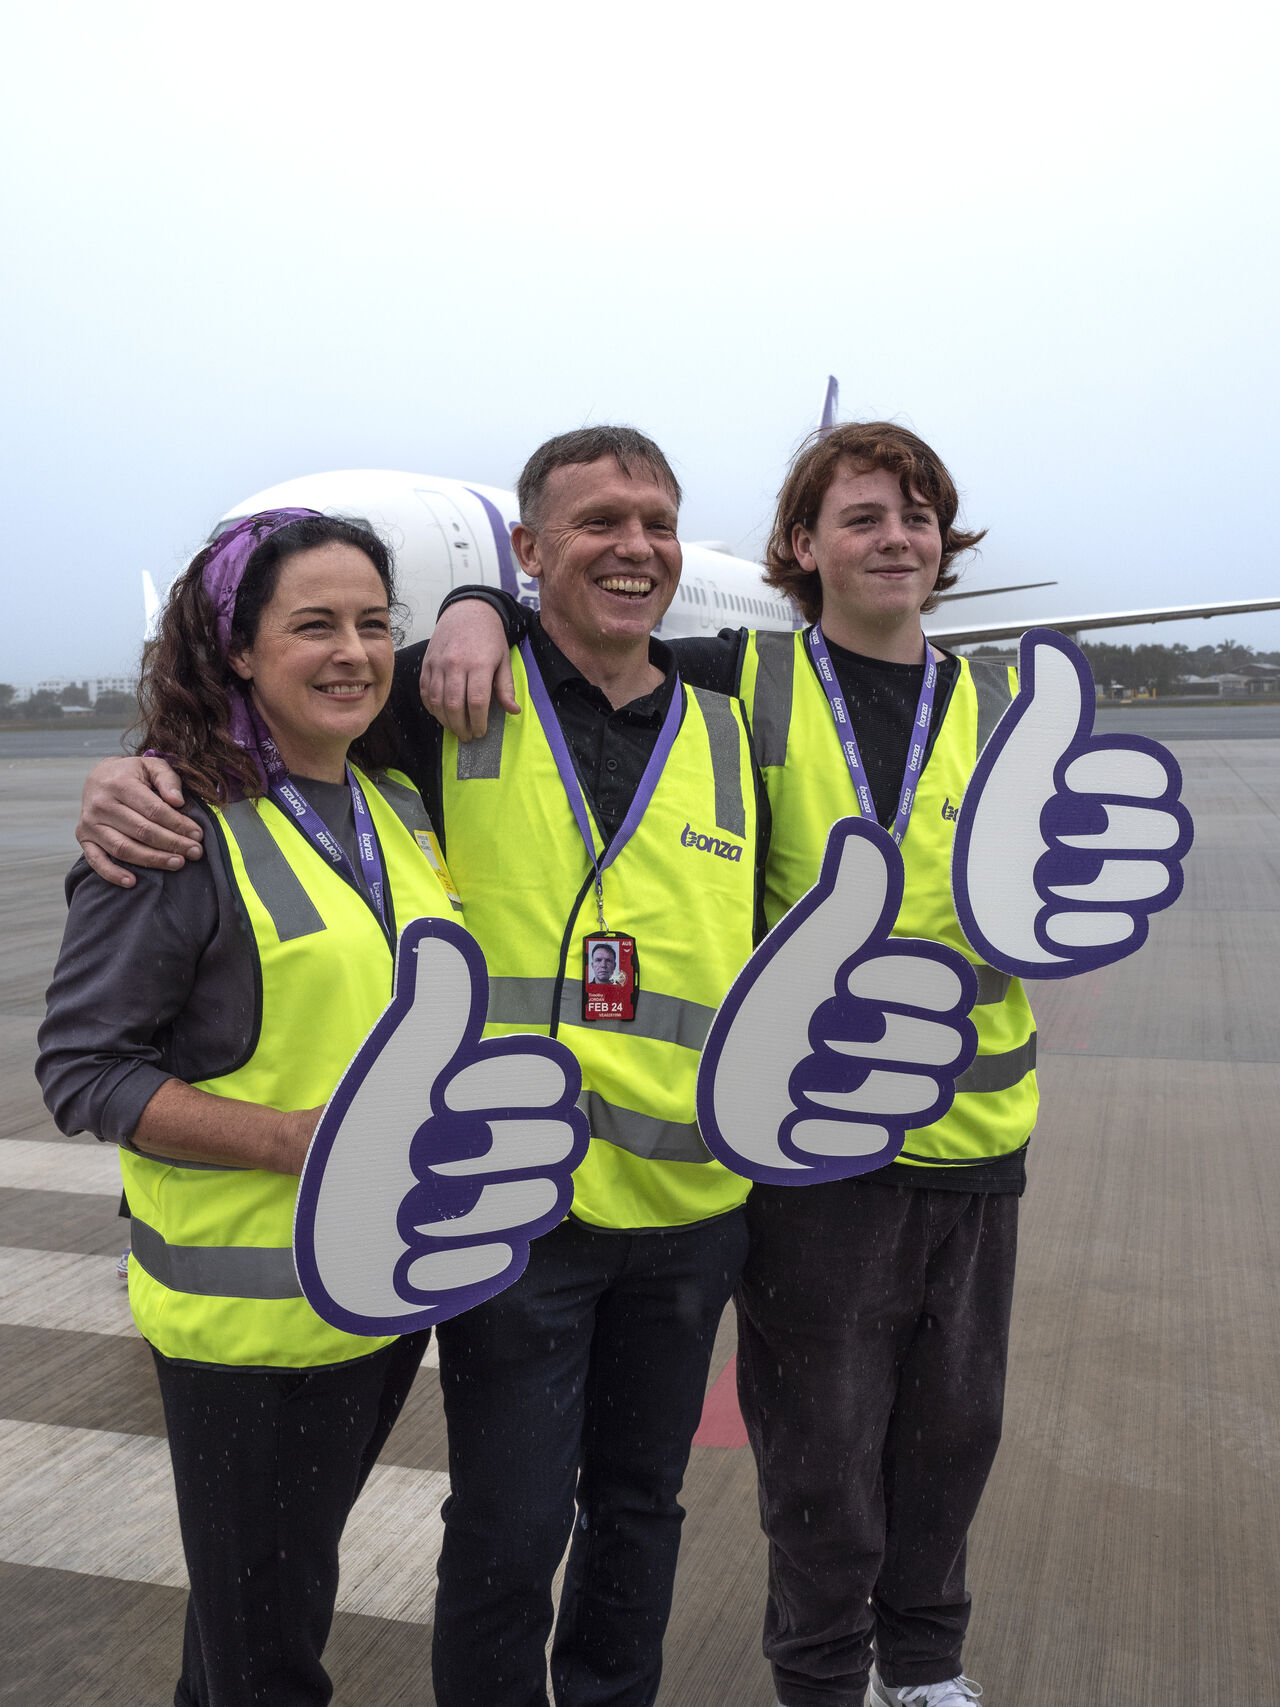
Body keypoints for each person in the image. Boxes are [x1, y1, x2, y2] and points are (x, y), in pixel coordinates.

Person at [71, 428, 765, 1707]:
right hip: (501, 1217)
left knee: (636, 1515)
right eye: (596, 522)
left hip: (684, 1210)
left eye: (656, 524)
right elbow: (246, 736)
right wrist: (129, 778)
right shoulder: (430, 709)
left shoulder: (735, 715)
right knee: (495, 1535)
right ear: (529, 549)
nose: (634, 548)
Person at [421, 420, 1032, 1707]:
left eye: (914, 516)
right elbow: (575, 640)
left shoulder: (1005, 705)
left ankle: (917, 1669)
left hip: (936, 1144)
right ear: (798, 548)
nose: (894, 538)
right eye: (859, 517)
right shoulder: (738, 681)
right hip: (752, 1155)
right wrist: (473, 604)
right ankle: (819, 1678)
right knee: (762, 1467)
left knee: (927, 1445)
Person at [38, 509, 461, 1707]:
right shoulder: (174, 829)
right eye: (313, 624)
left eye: (375, 624)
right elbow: (83, 1069)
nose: (354, 653)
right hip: (244, 1332)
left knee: (261, 1612)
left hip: (372, 1306)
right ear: (234, 648)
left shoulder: (390, 806)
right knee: (270, 1650)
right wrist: (303, 1145)